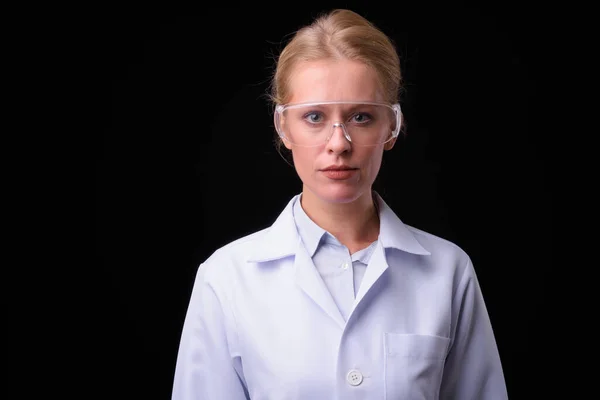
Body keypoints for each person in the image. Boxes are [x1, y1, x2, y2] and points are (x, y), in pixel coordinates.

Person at [172, 8, 508, 399]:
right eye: (314, 116)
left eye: (361, 117)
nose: (339, 143)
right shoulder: (226, 279)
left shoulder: (448, 271)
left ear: (392, 127)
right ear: (284, 128)